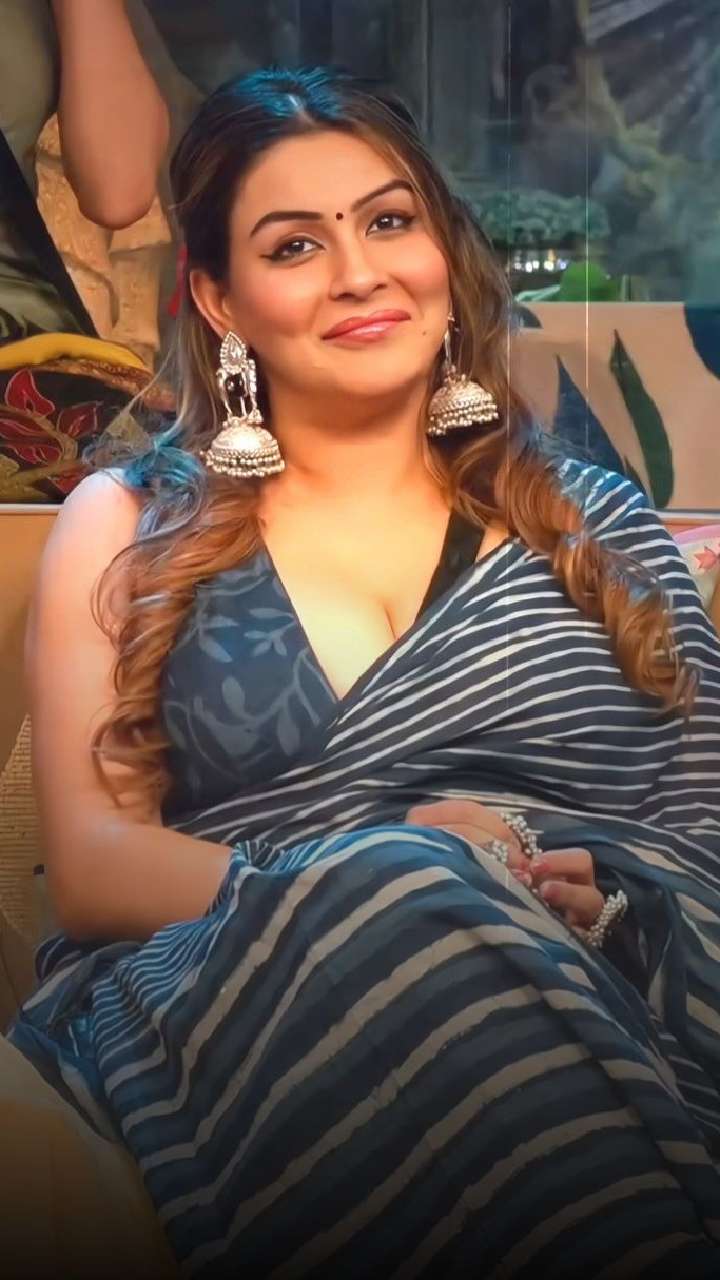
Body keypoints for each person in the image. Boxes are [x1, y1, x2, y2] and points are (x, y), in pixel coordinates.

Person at [6, 65, 720, 1278]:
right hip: (241, 984)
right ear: (221, 300)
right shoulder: (125, 520)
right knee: (403, 886)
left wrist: (603, 902)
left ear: (442, 251)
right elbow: (95, 865)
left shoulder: (594, 525)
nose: (358, 271)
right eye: (295, 245)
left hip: (605, 972)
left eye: (390, 221)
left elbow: (701, 839)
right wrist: (387, 870)